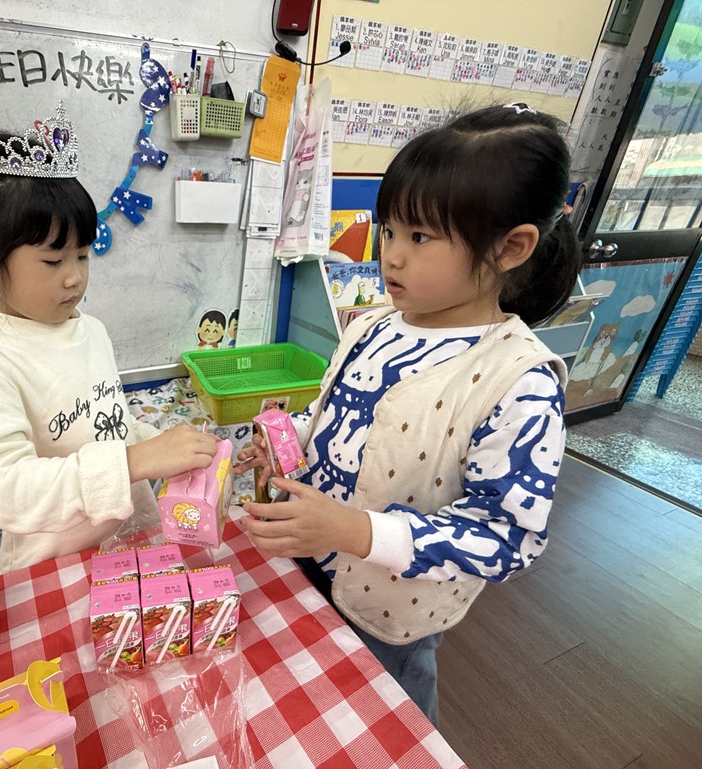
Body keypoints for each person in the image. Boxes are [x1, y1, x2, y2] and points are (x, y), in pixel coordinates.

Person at [234, 103, 582, 725]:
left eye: (419, 238)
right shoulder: (373, 325)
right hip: (312, 560)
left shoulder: (519, 382)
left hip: (392, 609)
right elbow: (339, 415)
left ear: (510, 247)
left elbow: (506, 537)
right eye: (389, 230)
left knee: (387, 717)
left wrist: (356, 532)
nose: (390, 256)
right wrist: (289, 441)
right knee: (315, 705)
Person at [0, 103, 218, 573]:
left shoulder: (91, 330)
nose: (74, 278)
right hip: (56, 570)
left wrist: (166, 447)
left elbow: (109, 426)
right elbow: (2, 490)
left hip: (132, 545)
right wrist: (135, 461)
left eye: (83, 256)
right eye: (53, 261)